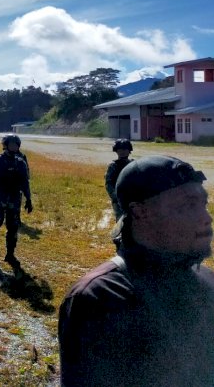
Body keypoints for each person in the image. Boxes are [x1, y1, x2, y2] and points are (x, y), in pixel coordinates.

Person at [59, 156, 213, 387]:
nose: (206, 218)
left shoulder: (207, 281)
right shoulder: (100, 299)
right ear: (140, 212)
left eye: (203, 204)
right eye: (187, 206)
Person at [0, 134, 32, 265]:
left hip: (14, 199)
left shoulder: (21, 163)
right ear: (5, 145)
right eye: (12, 144)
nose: (14, 147)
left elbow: (25, 182)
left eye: (16, 144)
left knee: (13, 227)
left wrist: (29, 199)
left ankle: (10, 254)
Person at [104, 138, 134, 220]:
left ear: (129, 150)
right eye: (120, 149)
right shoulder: (113, 166)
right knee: (121, 220)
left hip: (133, 198)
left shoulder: (133, 164)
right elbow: (108, 183)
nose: (122, 151)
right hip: (118, 198)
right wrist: (115, 196)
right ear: (116, 151)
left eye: (125, 149)